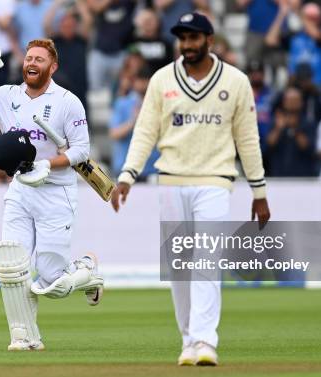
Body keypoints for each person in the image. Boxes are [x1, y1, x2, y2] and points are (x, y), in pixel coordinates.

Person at [111, 12, 271, 366]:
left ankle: (205, 341)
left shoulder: (236, 81)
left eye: (194, 38)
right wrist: (127, 175)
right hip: (171, 181)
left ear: (210, 41)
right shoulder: (161, 79)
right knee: (180, 267)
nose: (188, 44)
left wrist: (259, 192)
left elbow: (248, 139)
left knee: (207, 261)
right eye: (183, 38)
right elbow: (145, 131)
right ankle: (187, 341)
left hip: (215, 181)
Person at [0, 38, 104, 350]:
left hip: (56, 193)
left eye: (39, 59)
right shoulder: (7, 96)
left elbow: (81, 151)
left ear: (53, 66)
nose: (31, 63)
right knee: (12, 264)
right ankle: (23, 334)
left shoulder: (67, 101)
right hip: (21, 190)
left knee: (52, 285)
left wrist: (49, 164)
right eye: (28, 58)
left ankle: (87, 268)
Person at [109, 66, 159, 179]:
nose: (142, 84)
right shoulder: (122, 103)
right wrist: (133, 121)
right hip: (125, 168)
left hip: (152, 169)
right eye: (140, 80)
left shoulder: (159, 103)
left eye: (145, 80)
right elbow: (114, 134)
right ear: (134, 82)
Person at [265, 86, 316, 177]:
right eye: (289, 100)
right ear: (284, 102)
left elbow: (308, 148)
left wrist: (295, 128)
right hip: (278, 175)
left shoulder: (308, 123)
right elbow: (268, 145)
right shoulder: (275, 121)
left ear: (301, 102)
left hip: (303, 177)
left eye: (295, 100)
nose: (292, 103)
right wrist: (278, 128)